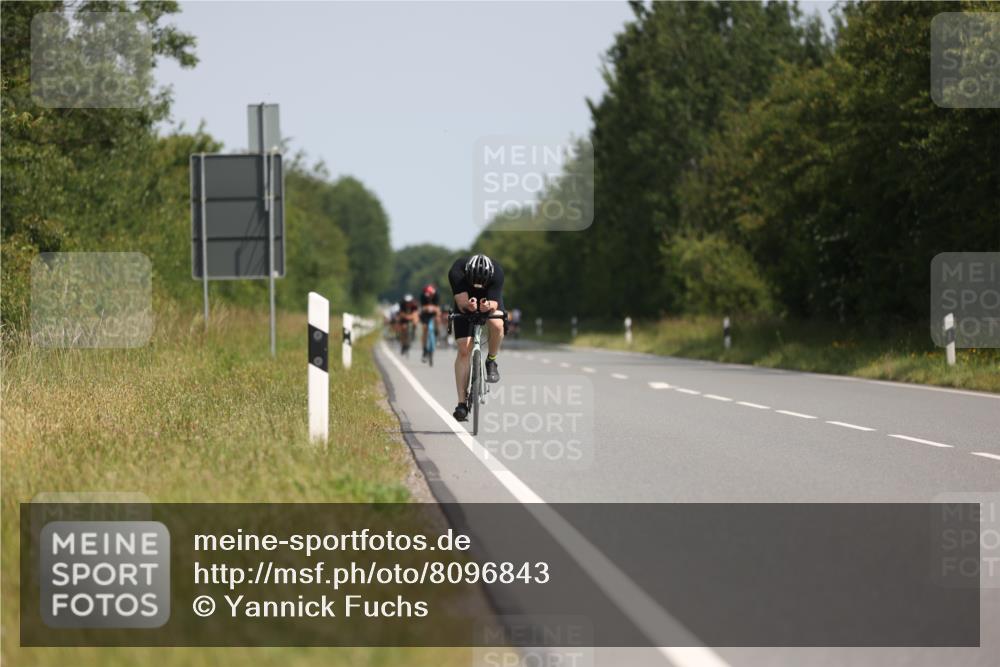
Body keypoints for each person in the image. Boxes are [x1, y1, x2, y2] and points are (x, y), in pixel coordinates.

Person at [448, 254, 504, 421]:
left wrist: (487, 307)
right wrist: (469, 306)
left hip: (488, 298)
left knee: (497, 324)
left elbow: (494, 304)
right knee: (464, 348)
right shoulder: (457, 272)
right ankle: (461, 404)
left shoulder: (497, 273)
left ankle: (491, 360)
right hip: (465, 299)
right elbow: (461, 302)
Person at [419, 284, 441, 362]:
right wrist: (428, 308)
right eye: (428, 296)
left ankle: (437, 333)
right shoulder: (423, 296)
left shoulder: (436, 295)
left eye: (430, 295)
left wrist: (432, 308)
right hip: (425, 314)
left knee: (438, 318)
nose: (429, 297)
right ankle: (424, 350)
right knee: (425, 328)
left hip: (433, 313)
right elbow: (422, 308)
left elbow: (438, 308)